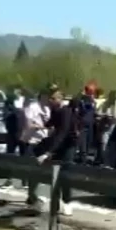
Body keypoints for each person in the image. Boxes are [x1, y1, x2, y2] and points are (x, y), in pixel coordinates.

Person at [34, 87, 79, 216]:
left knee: (65, 174)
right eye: (50, 98)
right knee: (55, 173)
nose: (51, 100)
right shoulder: (55, 110)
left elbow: (62, 133)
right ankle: (55, 201)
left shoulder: (66, 112)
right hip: (59, 144)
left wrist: (48, 152)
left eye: (53, 98)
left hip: (68, 145)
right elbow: (51, 124)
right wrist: (40, 125)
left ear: (60, 99)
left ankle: (68, 202)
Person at [21, 89, 51, 211]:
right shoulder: (32, 107)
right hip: (31, 142)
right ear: (42, 96)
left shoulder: (48, 109)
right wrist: (41, 126)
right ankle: (31, 196)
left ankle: (32, 196)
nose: (48, 99)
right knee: (32, 170)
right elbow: (28, 125)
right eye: (47, 96)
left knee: (39, 171)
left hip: (43, 142)